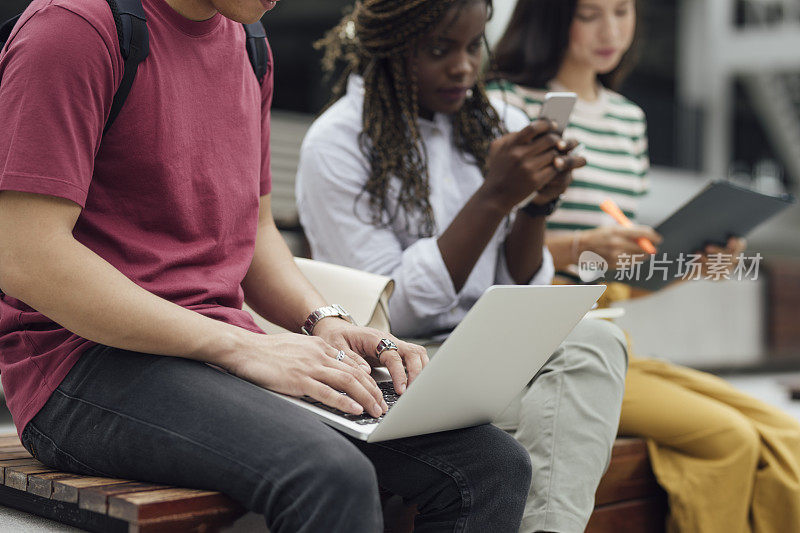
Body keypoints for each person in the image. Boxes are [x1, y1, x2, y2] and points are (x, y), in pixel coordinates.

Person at [0, 0, 536, 531]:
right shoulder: (74, 30)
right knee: (327, 475)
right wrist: (244, 346)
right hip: (83, 365)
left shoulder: (249, 41)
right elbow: (25, 255)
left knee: (490, 466)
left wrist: (327, 322)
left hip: (213, 353)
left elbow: (252, 232)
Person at [296, 1, 629, 531]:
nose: (463, 68)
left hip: (485, 353)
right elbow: (394, 312)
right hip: (398, 368)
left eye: (474, 46)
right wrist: (493, 197)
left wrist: (536, 205)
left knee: (595, 343)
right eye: (438, 50)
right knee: (576, 383)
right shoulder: (336, 143)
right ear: (388, 48)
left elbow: (521, 281)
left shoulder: (494, 125)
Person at [487, 0, 800, 531]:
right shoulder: (507, 106)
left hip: (611, 333)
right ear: (552, 17)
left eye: (623, 11)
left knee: (784, 433)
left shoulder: (629, 120)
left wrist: (693, 260)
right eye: (590, 14)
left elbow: (623, 275)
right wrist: (583, 245)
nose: (611, 31)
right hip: (547, 337)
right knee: (731, 438)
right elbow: (493, 246)